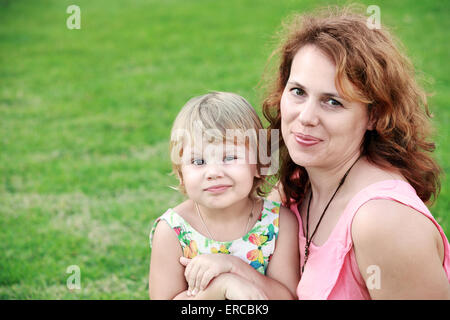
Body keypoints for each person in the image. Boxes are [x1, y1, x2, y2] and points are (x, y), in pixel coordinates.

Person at [263, 6, 450, 299]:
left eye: (332, 102)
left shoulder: (383, 222)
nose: (306, 116)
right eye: (298, 91)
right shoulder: (297, 186)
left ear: (374, 116)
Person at [149, 91, 299, 299]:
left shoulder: (278, 223)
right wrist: (221, 287)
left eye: (229, 157)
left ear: (259, 164)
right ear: (181, 174)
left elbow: (287, 297)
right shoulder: (173, 231)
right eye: (199, 162)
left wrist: (233, 267)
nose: (213, 173)